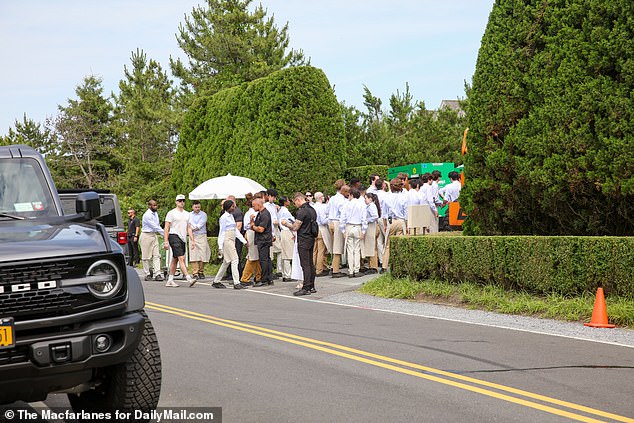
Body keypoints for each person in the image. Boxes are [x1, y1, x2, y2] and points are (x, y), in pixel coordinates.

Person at [281, 192, 317, 296]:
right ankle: (311, 286)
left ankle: (305, 287)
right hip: (311, 237)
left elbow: (295, 227)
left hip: (303, 239)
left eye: (295, 203)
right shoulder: (312, 210)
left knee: (304, 264)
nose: (295, 205)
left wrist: (286, 224)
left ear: (298, 200)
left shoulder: (302, 211)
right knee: (310, 263)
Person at [213, 200, 248, 289]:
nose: (234, 208)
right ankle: (236, 282)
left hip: (231, 239)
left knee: (226, 262)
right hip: (227, 239)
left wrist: (243, 241)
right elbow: (221, 232)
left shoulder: (231, 216)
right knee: (235, 259)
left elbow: (235, 230)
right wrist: (220, 246)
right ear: (228, 207)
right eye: (232, 206)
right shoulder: (224, 217)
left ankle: (216, 281)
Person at [163, 194, 195, 287]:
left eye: (183, 201)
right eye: (180, 201)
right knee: (181, 257)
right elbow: (166, 227)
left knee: (175, 259)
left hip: (182, 238)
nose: (181, 202)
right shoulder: (171, 213)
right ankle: (188, 278)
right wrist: (165, 241)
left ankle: (170, 279)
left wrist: (192, 240)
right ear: (176, 202)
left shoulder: (187, 214)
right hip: (173, 235)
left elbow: (189, 228)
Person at [339, 188, 367, 277]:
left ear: (351, 195)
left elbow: (342, 218)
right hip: (358, 226)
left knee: (350, 250)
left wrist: (343, 230)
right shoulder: (361, 204)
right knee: (357, 249)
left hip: (348, 227)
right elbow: (364, 219)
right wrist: (363, 231)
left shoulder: (346, 204)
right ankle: (356, 270)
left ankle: (350, 271)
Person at [382, 178, 408, 272]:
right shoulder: (404, 197)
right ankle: (401, 266)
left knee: (388, 244)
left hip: (391, 221)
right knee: (400, 244)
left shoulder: (387, 197)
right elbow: (406, 214)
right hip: (401, 221)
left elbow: (384, 214)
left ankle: (384, 266)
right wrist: (407, 225)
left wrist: (385, 225)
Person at [139, 200, 164, 281]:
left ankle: (158, 273)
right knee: (146, 256)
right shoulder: (147, 215)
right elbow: (154, 226)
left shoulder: (155, 214)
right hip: (146, 235)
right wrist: (165, 234)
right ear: (149, 206)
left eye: (156, 205)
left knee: (156, 255)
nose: (156, 207)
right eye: (154, 205)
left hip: (153, 235)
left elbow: (157, 225)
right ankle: (147, 274)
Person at [251, 198, 274, 287]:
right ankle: (269, 278)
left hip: (264, 240)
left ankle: (264, 279)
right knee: (266, 259)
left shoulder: (264, 214)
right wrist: (252, 222)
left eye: (254, 206)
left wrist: (253, 226)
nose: (253, 208)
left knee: (264, 260)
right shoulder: (259, 214)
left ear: (259, 205)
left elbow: (260, 229)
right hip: (263, 239)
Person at [328, 180, 348, 278]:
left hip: (331, 222)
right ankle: (335, 270)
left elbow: (328, 210)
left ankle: (333, 266)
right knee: (338, 246)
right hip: (337, 222)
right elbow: (343, 212)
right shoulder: (341, 199)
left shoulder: (332, 198)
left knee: (333, 245)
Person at [240, 193, 262, 285]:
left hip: (253, 233)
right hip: (252, 233)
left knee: (256, 257)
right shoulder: (251, 213)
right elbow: (247, 226)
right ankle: (245, 278)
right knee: (252, 256)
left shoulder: (253, 212)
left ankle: (258, 276)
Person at [224, 195, 245, 281]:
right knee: (228, 258)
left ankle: (237, 275)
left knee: (236, 257)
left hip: (235, 238)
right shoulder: (227, 214)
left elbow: (238, 226)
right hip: (229, 238)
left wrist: (240, 239)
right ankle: (229, 274)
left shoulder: (237, 212)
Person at [188, 200, 211, 280]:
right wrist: (191, 229)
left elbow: (200, 224)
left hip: (201, 235)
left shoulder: (203, 214)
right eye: (196, 207)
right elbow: (189, 224)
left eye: (199, 207)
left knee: (203, 254)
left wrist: (192, 228)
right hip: (192, 236)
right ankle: (195, 272)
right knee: (193, 254)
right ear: (192, 207)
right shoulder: (189, 215)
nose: (197, 208)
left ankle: (201, 271)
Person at [312, 191, 330, 277]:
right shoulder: (322, 207)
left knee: (314, 250)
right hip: (321, 229)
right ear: (320, 198)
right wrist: (329, 218)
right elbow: (323, 221)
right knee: (321, 250)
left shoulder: (313, 207)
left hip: (313, 229)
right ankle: (319, 269)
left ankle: (313, 267)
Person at [277, 196, 294, 281]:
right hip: (287, 231)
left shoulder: (280, 210)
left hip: (282, 232)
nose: (289, 201)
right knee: (288, 254)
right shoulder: (285, 211)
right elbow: (290, 221)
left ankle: (284, 273)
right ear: (285, 202)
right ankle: (288, 275)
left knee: (284, 254)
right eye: (288, 200)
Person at [362, 192, 380, 274]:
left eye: (365, 198)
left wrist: (367, 220)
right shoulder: (369, 206)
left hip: (372, 226)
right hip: (370, 227)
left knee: (372, 246)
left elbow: (375, 216)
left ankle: (373, 266)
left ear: (370, 198)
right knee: (370, 246)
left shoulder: (372, 206)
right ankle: (371, 265)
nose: (365, 200)